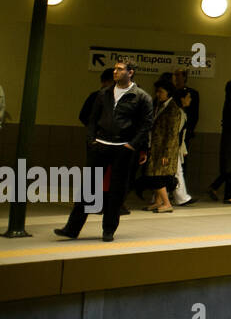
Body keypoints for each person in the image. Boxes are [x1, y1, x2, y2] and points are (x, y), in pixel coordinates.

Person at [55, 59, 153, 242]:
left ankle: (108, 230)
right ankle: (72, 228)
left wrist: (132, 145)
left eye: (120, 69)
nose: (115, 72)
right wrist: (91, 140)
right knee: (88, 188)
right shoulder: (103, 94)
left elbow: (146, 125)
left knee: (117, 191)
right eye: (115, 69)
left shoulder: (141, 97)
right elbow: (92, 119)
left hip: (122, 148)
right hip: (100, 145)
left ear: (130, 72)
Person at [139, 76, 186, 212]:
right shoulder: (158, 106)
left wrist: (166, 153)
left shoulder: (173, 109)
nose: (157, 94)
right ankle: (159, 201)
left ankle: (167, 203)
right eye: (157, 91)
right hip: (154, 147)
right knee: (154, 174)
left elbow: (172, 134)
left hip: (164, 149)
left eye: (160, 91)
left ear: (168, 93)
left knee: (157, 176)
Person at [170, 67, 199, 206]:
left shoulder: (183, 112)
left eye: (179, 76)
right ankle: (179, 197)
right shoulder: (177, 113)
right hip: (173, 144)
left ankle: (179, 196)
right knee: (175, 170)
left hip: (179, 142)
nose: (176, 78)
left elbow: (192, 121)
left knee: (178, 170)